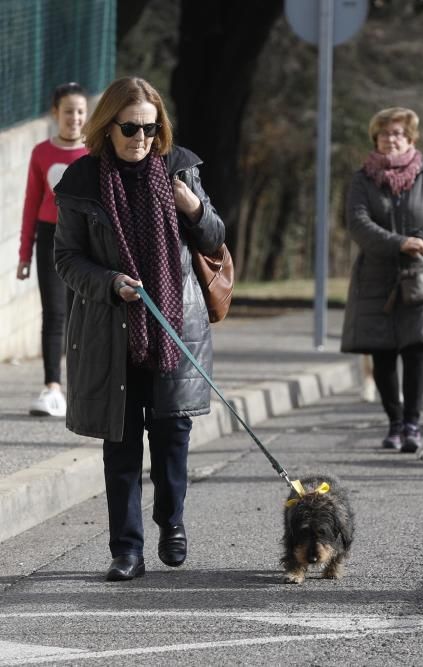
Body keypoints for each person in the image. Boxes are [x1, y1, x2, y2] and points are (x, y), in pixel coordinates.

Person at [53, 77, 226, 582]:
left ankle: (171, 523)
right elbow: (66, 258)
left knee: (173, 436)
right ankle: (126, 550)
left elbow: (214, 238)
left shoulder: (181, 170)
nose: (141, 138)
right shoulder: (80, 182)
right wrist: (110, 282)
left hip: (175, 328)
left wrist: (192, 206)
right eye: (130, 127)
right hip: (111, 330)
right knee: (121, 444)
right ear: (107, 127)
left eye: (150, 128)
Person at [341, 107, 423, 453]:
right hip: (377, 279)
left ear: (410, 138)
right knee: (382, 355)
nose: (390, 139)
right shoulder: (362, 180)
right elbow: (358, 223)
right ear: (375, 139)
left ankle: (412, 422)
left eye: (397, 133)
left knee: (417, 352)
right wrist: (398, 243)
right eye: (384, 134)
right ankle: (393, 421)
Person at [17, 82, 89, 418]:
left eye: (80, 112)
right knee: (55, 313)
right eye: (68, 111)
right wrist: (23, 255)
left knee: (81, 314)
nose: (74, 118)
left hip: (86, 240)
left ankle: (81, 387)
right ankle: (52, 388)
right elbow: (31, 203)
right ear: (55, 114)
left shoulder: (94, 154)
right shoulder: (41, 153)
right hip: (50, 237)